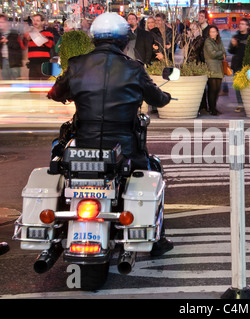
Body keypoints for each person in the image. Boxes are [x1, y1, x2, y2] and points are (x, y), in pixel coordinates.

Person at [47, 12, 173, 255]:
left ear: (94, 38)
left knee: (58, 164)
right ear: (124, 40)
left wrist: (60, 93)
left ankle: (57, 224)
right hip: (125, 148)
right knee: (152, 169)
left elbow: (56, 91)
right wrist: (165, 96)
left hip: (84, 145)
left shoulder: (76, 64)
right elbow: (158, 97)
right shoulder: (134, 68)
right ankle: (157, 240)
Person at [228, 18, 250, 113]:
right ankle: (240, 104)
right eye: (240, 23)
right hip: (237, 64)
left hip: (247, 64)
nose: (240, 25)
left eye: (243, 24)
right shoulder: (236, 36)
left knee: (248, 86)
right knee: (238, 86)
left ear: (247, 26)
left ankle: (248, 103)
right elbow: (231, 51)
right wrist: (234, 45)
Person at [203, 25, 226, 116]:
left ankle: (214, 107)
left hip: (219, 68)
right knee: (212, 89)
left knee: (217, 90)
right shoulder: (208, 42)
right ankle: (212, 109)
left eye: (214, 31)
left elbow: (225, 53)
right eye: (211, 32)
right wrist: (221, 54)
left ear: (217, 32)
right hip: (211, 68)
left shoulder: (219, 41)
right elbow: (212, 54)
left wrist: (219, 54)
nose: (212, 33)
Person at [24, 13, 54, 80]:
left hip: (44, 63)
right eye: (34, 20)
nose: (35, 22)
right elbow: (26, 38)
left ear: (42, 22)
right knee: (33, 86)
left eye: (37, 20)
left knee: (46, 86)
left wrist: (36, 34)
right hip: (33, 64)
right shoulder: (29, 33)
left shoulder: (48, 33)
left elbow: (49, 45)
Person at [0, 14, 24, 80]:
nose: (0, 24)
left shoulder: (14, 33)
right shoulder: (0, 34)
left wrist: (7, 41)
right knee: (6, 82)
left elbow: (18, 46)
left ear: (6, 23)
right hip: (4, 61)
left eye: (1, 22)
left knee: (17, 81)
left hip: (14, 61)